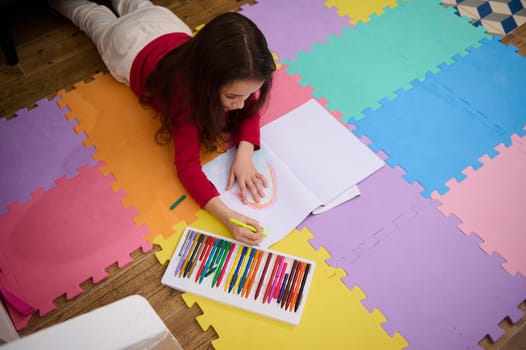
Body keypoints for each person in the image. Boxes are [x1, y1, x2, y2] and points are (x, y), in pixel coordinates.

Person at [49, 0, 276, 245]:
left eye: (249, 93)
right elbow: (187, 167)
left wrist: (244, 154)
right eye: (232, 97)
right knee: (91, 14)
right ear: (207, 81)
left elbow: (249, 109)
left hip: (162, 21)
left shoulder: (238, 73)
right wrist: (228, 216)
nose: (241, 104)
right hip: (125, 46)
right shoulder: (186, 98)